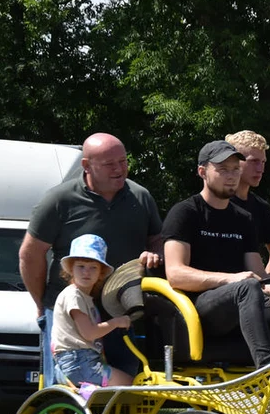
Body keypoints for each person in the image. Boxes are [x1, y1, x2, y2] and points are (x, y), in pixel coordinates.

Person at [162, 140, 270, 368]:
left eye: (236, 169)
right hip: (201, 311)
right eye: (223, 169)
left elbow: (257, 274)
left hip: (247, 303)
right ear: (202, 172)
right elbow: (176, 274)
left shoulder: (243, 219)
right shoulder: (185, 212)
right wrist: (233, 279)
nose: (231, 175)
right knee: (246, 288)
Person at [19, 133, 164, 385]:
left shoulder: (140, 197)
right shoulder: (59, 200)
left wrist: (154, 253)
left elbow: (159, 241)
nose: (120, 169)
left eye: (123, 161)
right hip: (70, 309)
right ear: (86, 165)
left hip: (119, 307)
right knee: (68, 385)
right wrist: (44, 304)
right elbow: (30, 254)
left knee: (124, 381)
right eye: (110, 164)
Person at [52, 234, 134, 387]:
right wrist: (116, 322)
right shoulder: (74, 295)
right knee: (128, 384)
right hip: (78, 361)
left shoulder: (83, 297)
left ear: (100, 273)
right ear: (71, 269)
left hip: (80, 360)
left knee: (125, 383)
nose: (86, 272)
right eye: (81, 266)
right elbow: (89, 333)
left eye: (93, 268)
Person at [225, 130, 270, 276]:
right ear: (234, 162)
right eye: (253, 161)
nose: (260, 169)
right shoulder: (216, 204)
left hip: (254, 288)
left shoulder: (261, 207)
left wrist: (268, 282)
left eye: (263, 162)